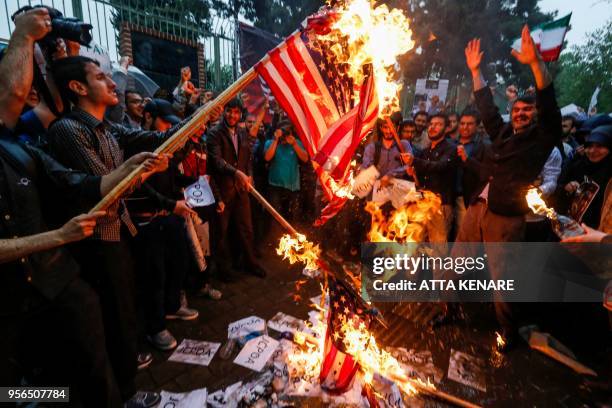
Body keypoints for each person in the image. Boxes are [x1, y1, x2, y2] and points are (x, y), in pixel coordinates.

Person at [0, 9, 166, 406]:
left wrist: (127, 170)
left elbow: (81, 183)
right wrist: (58, 236)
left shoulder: (15, 148)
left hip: (56, 280)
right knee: (17, 389)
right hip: (13, 296)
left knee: (88, 362)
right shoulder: (65, 130)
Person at [45, 55, 197, 401]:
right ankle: (122, 391)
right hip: (96, 242)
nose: (113, 83)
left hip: (121, 234)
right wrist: (141, 172)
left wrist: (199, 119)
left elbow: (157, 139)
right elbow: (104, 191)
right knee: (114, 319)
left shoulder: (108, 128)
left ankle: (127, 385)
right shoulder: (69, 130)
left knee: (127, 311)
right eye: (101, 77)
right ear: (78, 88)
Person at [456, 28, 562, 350]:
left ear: (535, 117)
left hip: (506, 219)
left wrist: (535, 65)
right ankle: (450, 307)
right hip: (479, 209)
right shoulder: (502, 134)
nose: (520, 113)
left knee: (503, 281)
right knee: (458, 261)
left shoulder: (543, 140)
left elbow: (549, 104)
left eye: (527, 110)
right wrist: (475, 72)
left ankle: (507, 332)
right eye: (516, 109)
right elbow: (487, 107)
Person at [207, 98, 268, 279]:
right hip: (223, 191)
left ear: (240, 114)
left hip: (241, 190)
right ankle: (224, 270)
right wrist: (236, 173)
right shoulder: (214, 134)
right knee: (221, 233)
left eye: (236, 112)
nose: (232, 115)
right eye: (229, 111)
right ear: (224, 111)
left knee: (246, 228)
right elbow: (217, 162)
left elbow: (246, 158)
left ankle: (250, 263)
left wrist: (248, 175)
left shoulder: (242, 133)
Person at [404, 113, 458, 242]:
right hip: (422, 203)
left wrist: (415, 161)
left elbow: (440, 166)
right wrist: (413, 173)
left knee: (437, 248)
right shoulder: (425, 151)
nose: (433, 127)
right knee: (413, 243)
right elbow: (420, 178)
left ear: (447, 129)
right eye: (431, 124)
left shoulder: (451, 149)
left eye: (438, 124)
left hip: (441, 205)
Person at [557, 125, 611, 229]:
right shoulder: (578, 166)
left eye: (599, 146)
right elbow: (558, 197)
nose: (592, 151)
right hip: (571, 229)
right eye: (589, 146)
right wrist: (566, 188)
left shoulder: (609, 175)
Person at [263, 121, 308, 221]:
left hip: (292, 188)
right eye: (283, 132)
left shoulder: (297, 143)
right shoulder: (270, 143)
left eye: (288, 132)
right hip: (275, 187)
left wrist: (294, 144)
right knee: (275, 219)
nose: (285, 135)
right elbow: (267, 158)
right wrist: (276, 140)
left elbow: (305, 158)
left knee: (292, 219)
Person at [455, 111, 488, 239]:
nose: (465, 127)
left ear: (477, 125)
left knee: (464, 236)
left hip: (467, 198)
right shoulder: (451, 144)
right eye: (462, 123)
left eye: (469, 124)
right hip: (449, 198)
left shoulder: (483, 147)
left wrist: (467, 159)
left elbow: (485, 173)